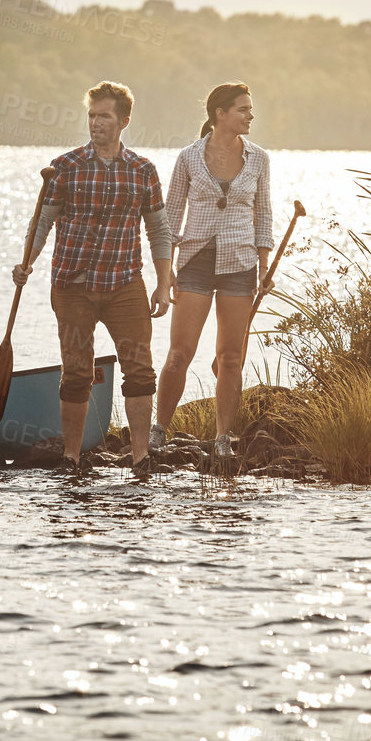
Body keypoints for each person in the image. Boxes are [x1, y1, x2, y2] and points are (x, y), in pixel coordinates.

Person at [14, 81, 172, 477]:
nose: (96, 123)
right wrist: (26, 263)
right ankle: (71, 456)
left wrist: (164, 283)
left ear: (124, 121)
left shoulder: (142, 170)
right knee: (77, 371)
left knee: (139, 369)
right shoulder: (66, 166)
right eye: (91, 115)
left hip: (124, 284)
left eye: (104, 116)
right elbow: (42, 222)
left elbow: (159, 231)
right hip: (72, 285)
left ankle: (140, 458)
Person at [152, 83, 274, 461]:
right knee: (179, 354)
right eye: (243, 109)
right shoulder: (189, 157)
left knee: (231, 357)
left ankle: (222, 439)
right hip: (195, 262)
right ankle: (159, 431)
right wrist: (164, 270)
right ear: (219, 113)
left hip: (240, 264)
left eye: (250, 109)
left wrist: (264, 263)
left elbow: (265, 213)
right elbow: (170, 216)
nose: (250, 116)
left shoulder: (259, 159)